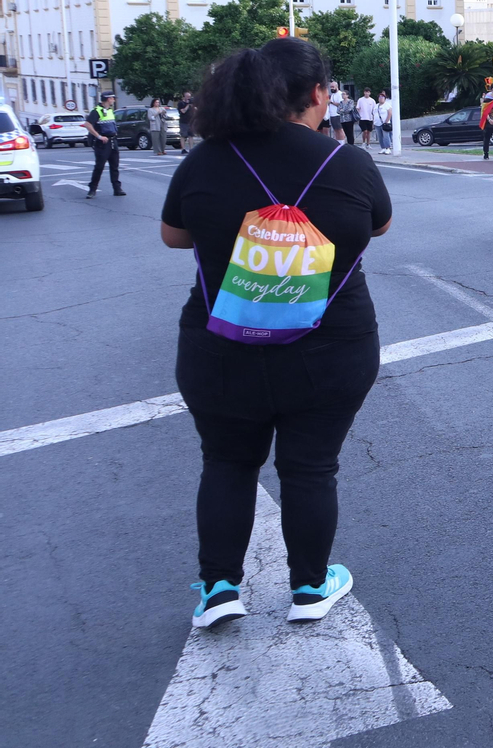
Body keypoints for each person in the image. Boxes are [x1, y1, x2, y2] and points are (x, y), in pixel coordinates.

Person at [159, 38, 392, 628]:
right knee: (311, 466)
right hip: (331, 348)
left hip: (219, 349)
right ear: (318, 93)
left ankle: (218, 589)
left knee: (227, 462)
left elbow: (174, 236)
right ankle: (311, 587)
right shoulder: (347, 162)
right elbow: (380, 225)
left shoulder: (206, 159)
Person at [84, 91, 124, 198]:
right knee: (99, 166)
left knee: (114, 166)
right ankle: (92, 189)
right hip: (102, 143)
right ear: (108, 99)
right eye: (112, 98)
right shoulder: (97, 111)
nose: (114, 100)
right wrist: (99, 136)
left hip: (112, 141)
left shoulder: (110, 110)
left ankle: (117, 188)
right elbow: (87, 124)